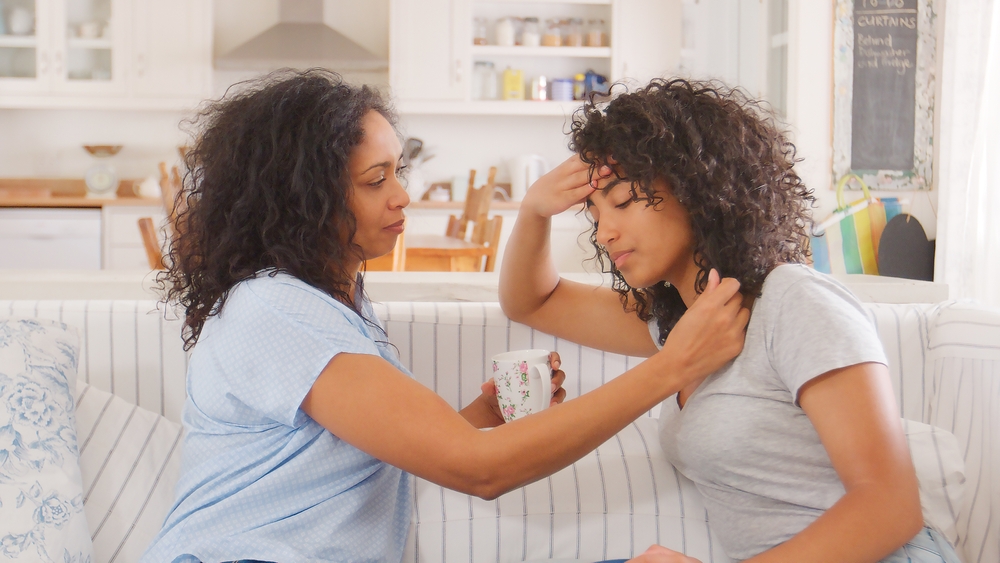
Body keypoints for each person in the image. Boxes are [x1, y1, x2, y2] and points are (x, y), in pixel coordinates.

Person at [140, 69, 749, 563]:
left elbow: (350, 457)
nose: (403, 195)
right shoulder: (275, 308)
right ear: (304, 200)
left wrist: (478, 419)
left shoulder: (336, 299)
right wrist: (674, 365)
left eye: (398, 171)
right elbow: (477, 470)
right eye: (377, 180)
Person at [499, 78, 963, 563]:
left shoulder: (793, 301)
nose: (606, 231)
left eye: (622, 201)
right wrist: (535, 209)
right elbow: (532, 302)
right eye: (593, 213)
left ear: (694, 186)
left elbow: (890, 509)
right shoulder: (683, 326)